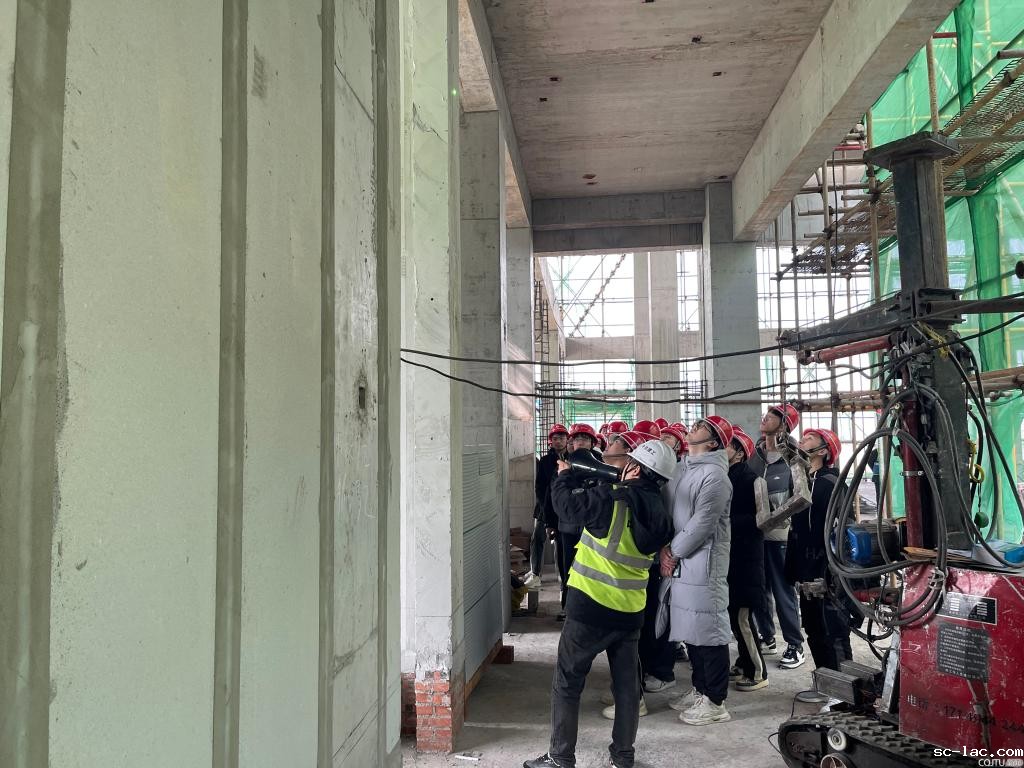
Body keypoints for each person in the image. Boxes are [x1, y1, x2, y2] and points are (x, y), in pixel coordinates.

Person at [524, 441, 676, 768]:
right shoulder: (662, 514)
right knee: (626, 690)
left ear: (635, 468)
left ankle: (561, 757)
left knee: (567, 683)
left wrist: (564, 476)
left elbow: (565, 507)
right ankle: (623, 757)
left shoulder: (612, 499)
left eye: (628, 461)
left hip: (590, 608)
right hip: (630, 613)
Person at [661, 415, 734, 726]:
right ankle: (700, 688)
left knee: (709, 629)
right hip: (683, 559)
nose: (693, 427)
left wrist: (672, 552)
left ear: (713, 442)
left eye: (701, 427)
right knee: (691, 627)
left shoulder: (715, 476)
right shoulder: (684, 468)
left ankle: (716, 701)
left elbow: (702, 524)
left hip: (704, 562)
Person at [785, 429, 852, 678]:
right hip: (805, 569)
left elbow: (842, 531)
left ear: (823, 451)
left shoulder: (832, 484)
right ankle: (824, 682)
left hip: (827, 571)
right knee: (813, 629)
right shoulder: (801, 481)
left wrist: (831, 569)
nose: (802, 440)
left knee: (832, 629)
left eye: (809, 439)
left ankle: (843, 687)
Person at [745, 403, 806, 669]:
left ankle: (795, 644)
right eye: (766, 414)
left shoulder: (793, 458)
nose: (765, 417)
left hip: (781, 537)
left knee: (783, 592)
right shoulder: (754, 456)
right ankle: (767, 637)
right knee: (759, 590)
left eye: (773, 416)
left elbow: (801, 496)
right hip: (755, 536)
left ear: (784, 425)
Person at [725, 427, 768, 692]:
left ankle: (757, 671)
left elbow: (759, 520)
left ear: (740, 453)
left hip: (746, 559)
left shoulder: (751, 480)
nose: (722, 449)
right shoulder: (728, 476)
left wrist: (725, 522)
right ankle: (743, 661)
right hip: (733, 557)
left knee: (743, 619)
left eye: (728, 446)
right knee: (735, 616)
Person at [553, 423, 602, 620]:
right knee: (569, 569)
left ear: (592, 443)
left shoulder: (600, 464)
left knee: (593, 570)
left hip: (593, 528)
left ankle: (591, 608)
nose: (580, 442)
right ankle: (568, 609)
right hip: (568, 528)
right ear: (572, 443)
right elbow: (556, 493)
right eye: (577, 439)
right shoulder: (564, 463)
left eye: (585, 439)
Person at [527, 424, 569, 589]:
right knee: (537, 538)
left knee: (560, 544)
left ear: (567, 439)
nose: (558, 441)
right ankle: (535, 573)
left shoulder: (571, 459)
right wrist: (545, 508)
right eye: (555, 438)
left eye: (562, 438)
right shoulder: (545, 461)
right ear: (551, 441)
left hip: (563, 508)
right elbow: (540, 487)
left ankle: (562, 577)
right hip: (544, 509)